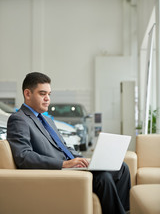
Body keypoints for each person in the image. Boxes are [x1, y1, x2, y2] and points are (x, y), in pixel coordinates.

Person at [7, 72, 130, 214]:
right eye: (42, 94)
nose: (48, 99)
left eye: (49, 94)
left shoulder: (47, 120)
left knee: (121, 167)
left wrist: (84, 160)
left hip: (70, 167)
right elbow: (23, 156)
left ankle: (125, 211)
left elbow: (64, 147)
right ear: (27, 94)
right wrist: (64, 164)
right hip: (57, 171)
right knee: (104, 178)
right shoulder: (19, 119)